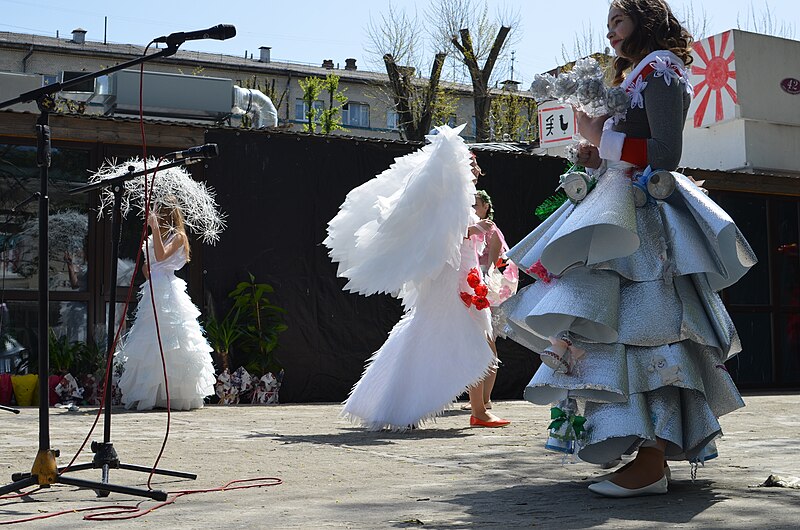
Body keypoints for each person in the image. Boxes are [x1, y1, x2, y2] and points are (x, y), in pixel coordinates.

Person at [500, 0, 756, 497]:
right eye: (609, 24)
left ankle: (654, 459)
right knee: (615, 328)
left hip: (644, 219)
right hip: (620, 208)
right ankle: (641, 451)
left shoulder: (660, 69)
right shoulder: (640, 73)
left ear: (645, 21)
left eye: (618, 20)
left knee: (651, 327)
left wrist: (601, 136)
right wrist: (597, 150)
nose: (611, 32)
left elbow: (666, 153)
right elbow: (633, 141)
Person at [325, 125, 504, 430]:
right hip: (455, 278)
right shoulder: (450, 199)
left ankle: (466, 408)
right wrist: (473, 230)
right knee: (462, 338)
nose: (476, 169)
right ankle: (472, 410)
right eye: (471, 163)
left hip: (465, 275)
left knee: (452, 337)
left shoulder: (460, 198)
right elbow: (437, 235)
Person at [117, 203, 216, 411]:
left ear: (167, 214)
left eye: (159, 212)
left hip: (168, 291)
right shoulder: (157, 238)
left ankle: (175, 394)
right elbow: (149, 267)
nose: (155, 215)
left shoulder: (178, 236)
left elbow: (162, 257)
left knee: (172, 338)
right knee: (151, 339)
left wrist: (153, 229)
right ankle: (153, 392)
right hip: (154, 287)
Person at [463, 189, 517, 426]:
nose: (473, 209)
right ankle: (480, 400)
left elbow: (493, 264)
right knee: (480, 340)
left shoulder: (490, 228)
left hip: (489, 290)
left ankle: (484, 399)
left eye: (476, 205)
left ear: (486, 207)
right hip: (475, 286)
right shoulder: (472, 226)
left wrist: (482, 282)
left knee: (487, 341)